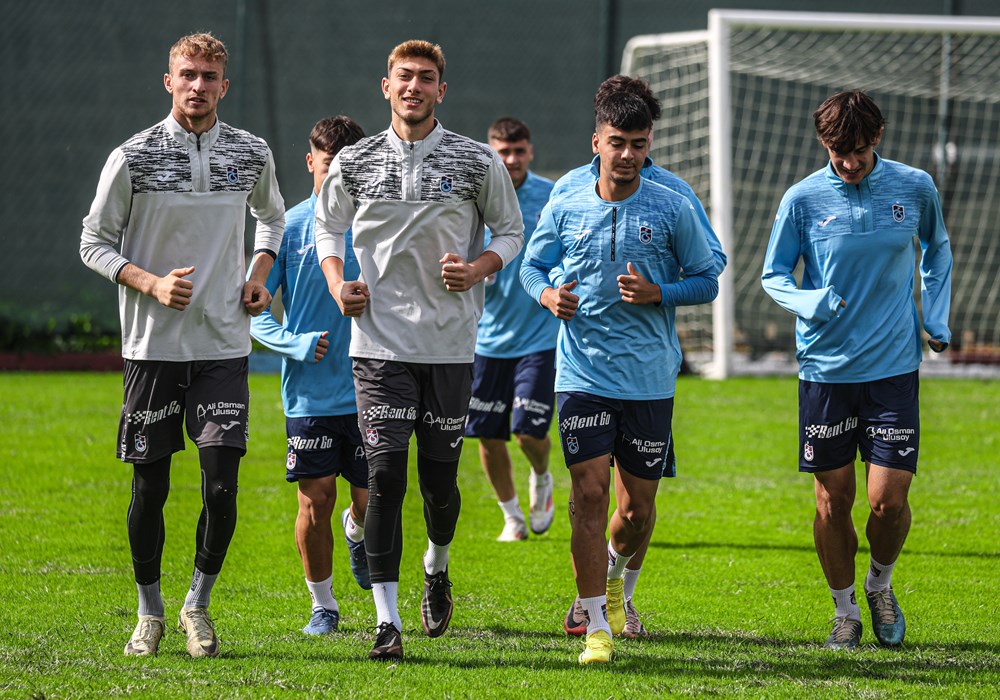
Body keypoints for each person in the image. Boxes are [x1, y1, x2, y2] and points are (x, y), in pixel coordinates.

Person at [314, 40, 524, 661]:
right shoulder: (354, 161)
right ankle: (387, 623)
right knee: (383, 479)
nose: (413, 87)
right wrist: (336, 282)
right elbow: (328, 226)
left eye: (425, 79)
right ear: (386, 87)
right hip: (377, 346)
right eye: (403, 77)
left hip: (452, 348)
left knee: (439, 482)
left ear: (441, 90)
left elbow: (510, 232)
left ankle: (437, 565)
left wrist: (480, 267)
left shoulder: (475, 160)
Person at [79, 32, 285, 658]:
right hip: (151, 349)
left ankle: (198, 605)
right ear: (167, 81)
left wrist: (258, 274)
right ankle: (149, 613)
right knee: (152, 489)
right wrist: (149, 282)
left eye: (210, 76)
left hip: (223, 345)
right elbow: (93, 241)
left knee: (222, 486)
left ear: (226, 84)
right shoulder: (132, 156)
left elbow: (271, 216)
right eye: (188, 74)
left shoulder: (251, 152)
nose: (198, 86)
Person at [520, 91, 718, 664]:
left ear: (647, 144)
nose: (626, 154)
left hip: (650, 378)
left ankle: (610, 576)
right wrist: (548, 295)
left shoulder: (672, 204)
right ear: (596, 143)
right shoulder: (565, 200)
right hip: (581, 373)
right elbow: (533, 265)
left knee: (635, 512)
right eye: (616, 143)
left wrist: (662, 293)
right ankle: (596, 622)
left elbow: (707, 276)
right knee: (587, 495)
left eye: (637, 144)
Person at [761, 90, 952, 650]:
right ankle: (844, 611)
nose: (849, 163)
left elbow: (936, 250)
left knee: (888, 502)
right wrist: (810, 301)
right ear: (824, 144)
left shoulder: (914, 186)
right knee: (833, 500)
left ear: (879, 138)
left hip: (893, 368)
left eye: (860, 152)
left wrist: (934, 316)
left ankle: (880, 585)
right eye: (838, 152)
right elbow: (773, 275)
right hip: (825, 371)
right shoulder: (802, 199)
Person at [250, 115, 371, 636]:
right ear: (310, 164)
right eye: (329, 167)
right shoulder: (289, 227)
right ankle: (324, 606)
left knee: (371, 500)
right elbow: (254, 307)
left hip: (374, 386)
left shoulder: (378, 226)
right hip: (311, 393)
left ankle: (359, 531)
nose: (339, 179)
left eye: (350, 169)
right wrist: (293, 342)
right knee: (315, 498)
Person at [464, 117, 558, 542]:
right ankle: (512, 517)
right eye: (503, 151)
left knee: (527, 431)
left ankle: (541, 474)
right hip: (485, 339)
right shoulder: (474, 195)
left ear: (531, 151)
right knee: (486, 433)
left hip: (539, 336)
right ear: (491, 152)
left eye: (519, 151)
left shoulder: (550, 196)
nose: (512, 159)